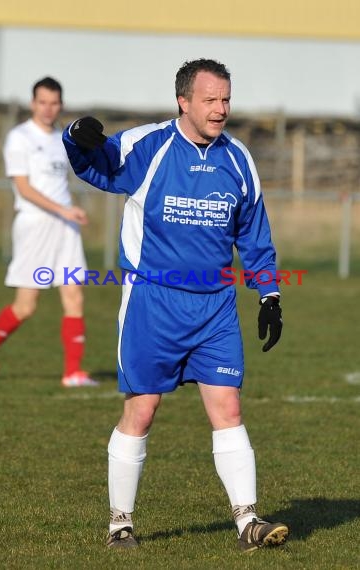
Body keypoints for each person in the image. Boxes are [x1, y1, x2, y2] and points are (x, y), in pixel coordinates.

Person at [62, 58, 288, 551]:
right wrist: (74, 137)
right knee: (142, 409)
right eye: (210, 100)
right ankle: (120, 522)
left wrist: (268, 291)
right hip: (153, 301)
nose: (220, 109)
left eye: (226, 99)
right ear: (183, 101)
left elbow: (252, 232)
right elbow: (96, 162)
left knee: (228, 407)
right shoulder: (149, 145)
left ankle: (248, 521)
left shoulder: (238, 159)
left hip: (215, 307)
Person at [0, 77, 98, 387]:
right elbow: (23, 188)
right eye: (43, 102)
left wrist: (69, 210)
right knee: (26, 306)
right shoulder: (20, 137)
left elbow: (61, 184)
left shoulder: (62, 139)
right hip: (35, 225)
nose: (48, 108)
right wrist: (62, 209)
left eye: (54, 103)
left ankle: (73, 372)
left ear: (61, 104)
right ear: (33, 103)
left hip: (65, 226)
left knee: (74, 295)